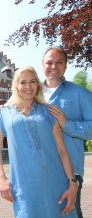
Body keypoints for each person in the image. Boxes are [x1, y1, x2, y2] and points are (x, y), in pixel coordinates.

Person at [0, 66, 78, 218]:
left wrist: (73, 184)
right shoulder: (4, 112)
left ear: (38, 84)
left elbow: (62, 150)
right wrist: (1, 177)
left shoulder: (49, 111)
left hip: (57, 185)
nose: (28, 87)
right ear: (16, 86)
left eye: (32, 81)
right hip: (24, 189)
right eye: (23, 82)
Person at [42, 46, 92, 218]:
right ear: (43, 65)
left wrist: (67, 124)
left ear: (66, 66)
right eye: (49, 62)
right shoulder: (31, 94)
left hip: (70, 173)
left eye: (59, 62)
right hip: (39, 171)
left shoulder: (81, 93)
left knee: (69, 214)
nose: (53, 66)